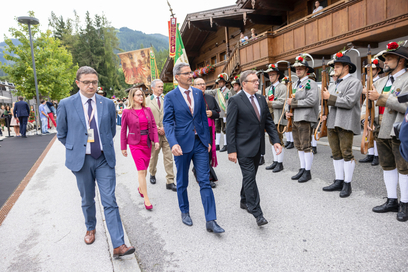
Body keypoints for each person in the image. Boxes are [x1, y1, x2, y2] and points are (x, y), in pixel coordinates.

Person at [57, 66, 135, 257]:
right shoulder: (66, 104)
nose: (91, 85)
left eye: (94, 82)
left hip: (103, 159)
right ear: (78, 83)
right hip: (81, 161)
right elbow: (62, 134)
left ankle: (118, 244)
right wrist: (76, 148)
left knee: (110, 199)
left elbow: (110, 130)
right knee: (87, 199)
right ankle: (90, 228)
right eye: (86, 82)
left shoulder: (107, 104)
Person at [163, 62, 224, 234]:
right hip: (181, 144)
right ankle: (184, 211)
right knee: (182, 180)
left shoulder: (198, 93)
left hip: (200, 143)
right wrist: (173, 142)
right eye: (186, 73)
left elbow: (202, 118)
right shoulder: (170, 97)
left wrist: (208, 140)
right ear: (177, 77)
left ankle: (211, 220)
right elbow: (167, 122)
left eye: (191, 73)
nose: (190, 76)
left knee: (204, 180)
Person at [227, 70, 282, 226]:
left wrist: (276, 140)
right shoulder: (235, 101)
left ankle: (244, 200)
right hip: (243, 147)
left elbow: (268, 122)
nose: (258, 83)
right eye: (254, 81)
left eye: (258, 80)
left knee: (250, 177)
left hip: (258, 147)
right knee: (250, 177)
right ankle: (257, 212)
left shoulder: (261, 98)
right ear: (244, 84)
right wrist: (232, 150)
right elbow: (230, 128)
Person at [367, 42, 408, 221]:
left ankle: (405, 204)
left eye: (389, 58)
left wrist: (381, 98)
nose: (385, 61)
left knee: (404, 169)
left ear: (401, 60)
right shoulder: (381, 80)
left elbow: (406, 105)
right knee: (388, 167)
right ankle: (392, 200)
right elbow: (366, 103)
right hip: (380, 129)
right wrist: (365, 118)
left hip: (398, 130)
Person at [321, 52, 362, 198]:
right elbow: (328, 103)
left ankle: (347, 184)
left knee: (347, 153)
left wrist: (329, 97)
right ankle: (338, 180)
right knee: (336, 153)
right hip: (333, 121)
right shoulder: (334, 83)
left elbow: (349, 102)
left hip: (346, 122)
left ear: (347, 67)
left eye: (337, 66)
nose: (335, 69)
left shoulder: (354, 82)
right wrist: (324, 112)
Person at [121, 88, 159, 209]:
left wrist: (156, 140)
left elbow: (153, 125)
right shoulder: (127, 112)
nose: (141, 97)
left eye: (142, 95)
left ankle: (140, 187)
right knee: (141, 170)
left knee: (145, 169)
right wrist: (123, 147)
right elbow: (123, 130)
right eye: (138, 95)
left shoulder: (147, 110)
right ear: (132, 97)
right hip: (134, 144)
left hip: (146, 143)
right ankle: (146, 199)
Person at [286, 54, 319, 183]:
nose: (298, 70)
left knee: (306, 146)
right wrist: (287, 112)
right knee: (298, 145)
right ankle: (302, 168)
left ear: (306, 70)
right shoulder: (294, 84)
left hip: (305, 118)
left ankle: (307, 171)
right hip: (294, 118)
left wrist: (293, 103)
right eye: (296, 68)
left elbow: (312, 100)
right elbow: (288, 101)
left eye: (301, 68)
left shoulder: (310, 83)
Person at [146, 79, 177, 191]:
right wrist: (156, 128)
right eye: (159, 87)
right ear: (153, 88)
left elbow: (173, 114)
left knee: (168, 157)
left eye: (162, 87)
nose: (161, 89)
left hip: (167, 132)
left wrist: (165, 127)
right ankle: (152, 173)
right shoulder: (147, 101)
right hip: (154, 133)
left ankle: (170, 181)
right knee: (154, 157)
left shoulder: (167, 99)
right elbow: (145, 118)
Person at [193, 78, 221, 188]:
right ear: (194, 86)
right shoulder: (191, 98)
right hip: (195, 129)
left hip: (208, 129)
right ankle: (206, 176)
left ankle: (203, 174)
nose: (202, 86)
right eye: (199, 84)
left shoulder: (210, 98)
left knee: (207, 152)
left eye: (204, 84)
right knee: (199, 152)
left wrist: (212, 113)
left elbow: (218, 113)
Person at [359, 57, 384, 166]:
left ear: (378, 70)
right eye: (368, 70)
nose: (370, 72)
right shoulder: (367, 81)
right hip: (368, 106)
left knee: (376, 132)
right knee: (368, 132)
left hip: (378, 108)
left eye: (372, 70)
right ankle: (370, 153)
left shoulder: (381, 81)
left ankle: (377, 155)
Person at [265, 64, 286, 172]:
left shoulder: (282, 87)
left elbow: (283, 102)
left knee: (279, 139)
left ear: (278, 75)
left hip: (278, 116)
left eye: (272, 75)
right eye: (269, 75)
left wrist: (269, 103)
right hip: (270, 116)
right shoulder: (268, 88)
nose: (270, 77)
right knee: (272, 139)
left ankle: (280, 163)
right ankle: (275, 160)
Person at [205, 73, 235, 152]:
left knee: (224, 129)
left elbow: (229, 104)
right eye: (219, 82)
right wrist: (202, 90)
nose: (219, 84)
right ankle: (217, 144)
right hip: (218, 113)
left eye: (221, 82)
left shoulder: (228, 92)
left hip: (224, 114)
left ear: (224, 83)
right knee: (217, 129)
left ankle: (226, 145)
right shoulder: (217, 91)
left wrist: (226, 114)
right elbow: (210, 92)